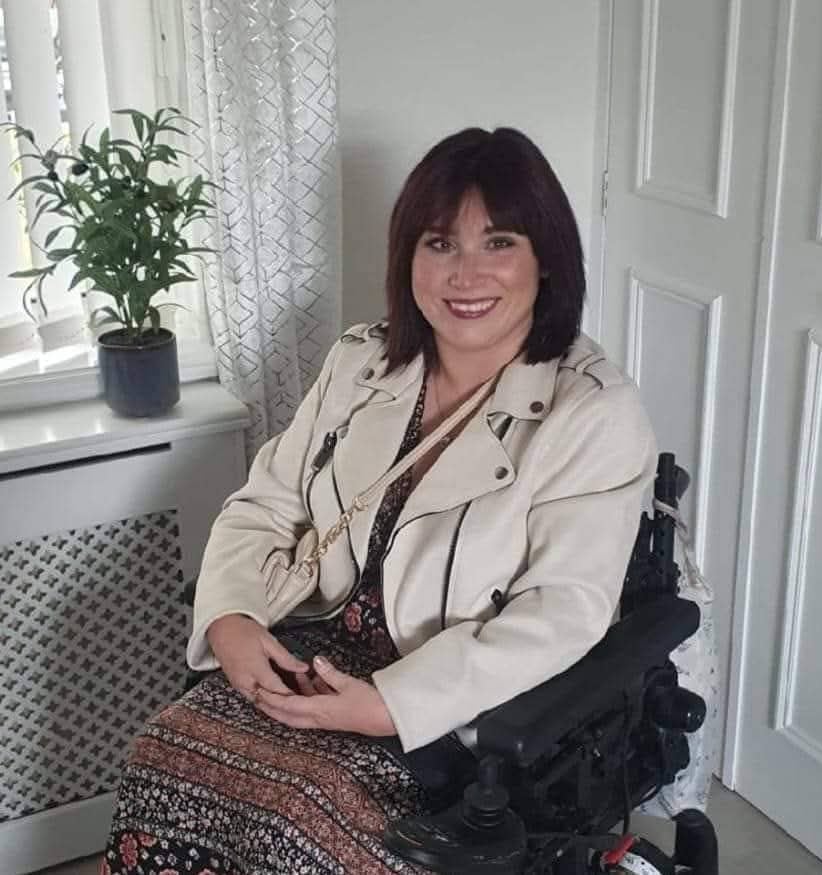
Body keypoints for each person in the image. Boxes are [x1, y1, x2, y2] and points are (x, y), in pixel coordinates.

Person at [102, 127, 656, 874]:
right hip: (310, 651)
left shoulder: (591, 410)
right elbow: (264, 504)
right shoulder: (360, 361)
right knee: (160, 754)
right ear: (408, 256)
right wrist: (230, 616)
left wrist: (391, 703)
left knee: (299, 819)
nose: (464, 274)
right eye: (439, 243)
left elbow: (562, 610)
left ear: (546, 259)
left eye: (498, 242)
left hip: (447, 702)